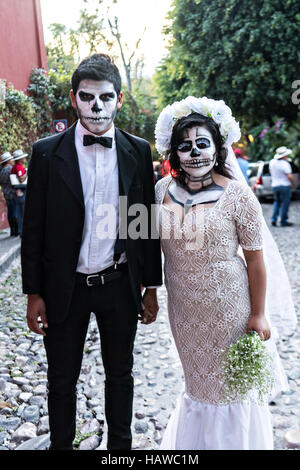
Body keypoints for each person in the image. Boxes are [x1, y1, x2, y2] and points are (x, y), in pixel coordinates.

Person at [21, 53, 162, 450]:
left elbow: (144, 222)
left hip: (119, 284)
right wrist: (34, 293)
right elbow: (32, 228)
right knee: (61, 379)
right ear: (73, 98)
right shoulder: (47, 153)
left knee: (121, 374)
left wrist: (151, 286)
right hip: (65, 287)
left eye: (105, 97)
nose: (96, 106)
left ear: (119, 99)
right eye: (87, 97)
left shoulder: (137, 150)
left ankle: (121, 450)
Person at [154, 96, 296, 450]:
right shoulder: (160, 192)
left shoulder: (238, 196)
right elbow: (149, 250)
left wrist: (259, 313)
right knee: (198, 387)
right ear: (174, 153)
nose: (195, 152)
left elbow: (256, 259)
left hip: (229, 310)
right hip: (184, 311)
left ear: (217, 148)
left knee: (231, 390)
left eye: (203, 143)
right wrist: (147, 292)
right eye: (185, 146)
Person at [269, 146, 294, 227]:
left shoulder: (272, 162)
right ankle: (283, 221)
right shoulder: (285, 164)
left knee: (277, 202)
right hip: (285, 185)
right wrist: (293, 184)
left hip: (275, 185)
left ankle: (274, 219)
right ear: (284, 156)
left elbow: (271, 172)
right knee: (284, 203)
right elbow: (289, 176)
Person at [0, 152, 18, 236]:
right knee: (15, 212)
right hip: (13, 193)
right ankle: (16, 230)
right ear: (8, 161)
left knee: (10, 212)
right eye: (11, 159)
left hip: (6, 194)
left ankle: (12, 230)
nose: (12, 160)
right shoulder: (11, 169)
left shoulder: (1, 171)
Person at [11, 149, 28, 235]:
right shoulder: (18, 167)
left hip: (18, 192)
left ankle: (21, 230)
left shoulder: (15, 167)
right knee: (23, 213)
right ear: (19, 159)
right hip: (21, 192)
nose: (24, 158)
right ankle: (22, 231)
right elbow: (21, 179)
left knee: (20, 212)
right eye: (23, 157)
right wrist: (27, 172)